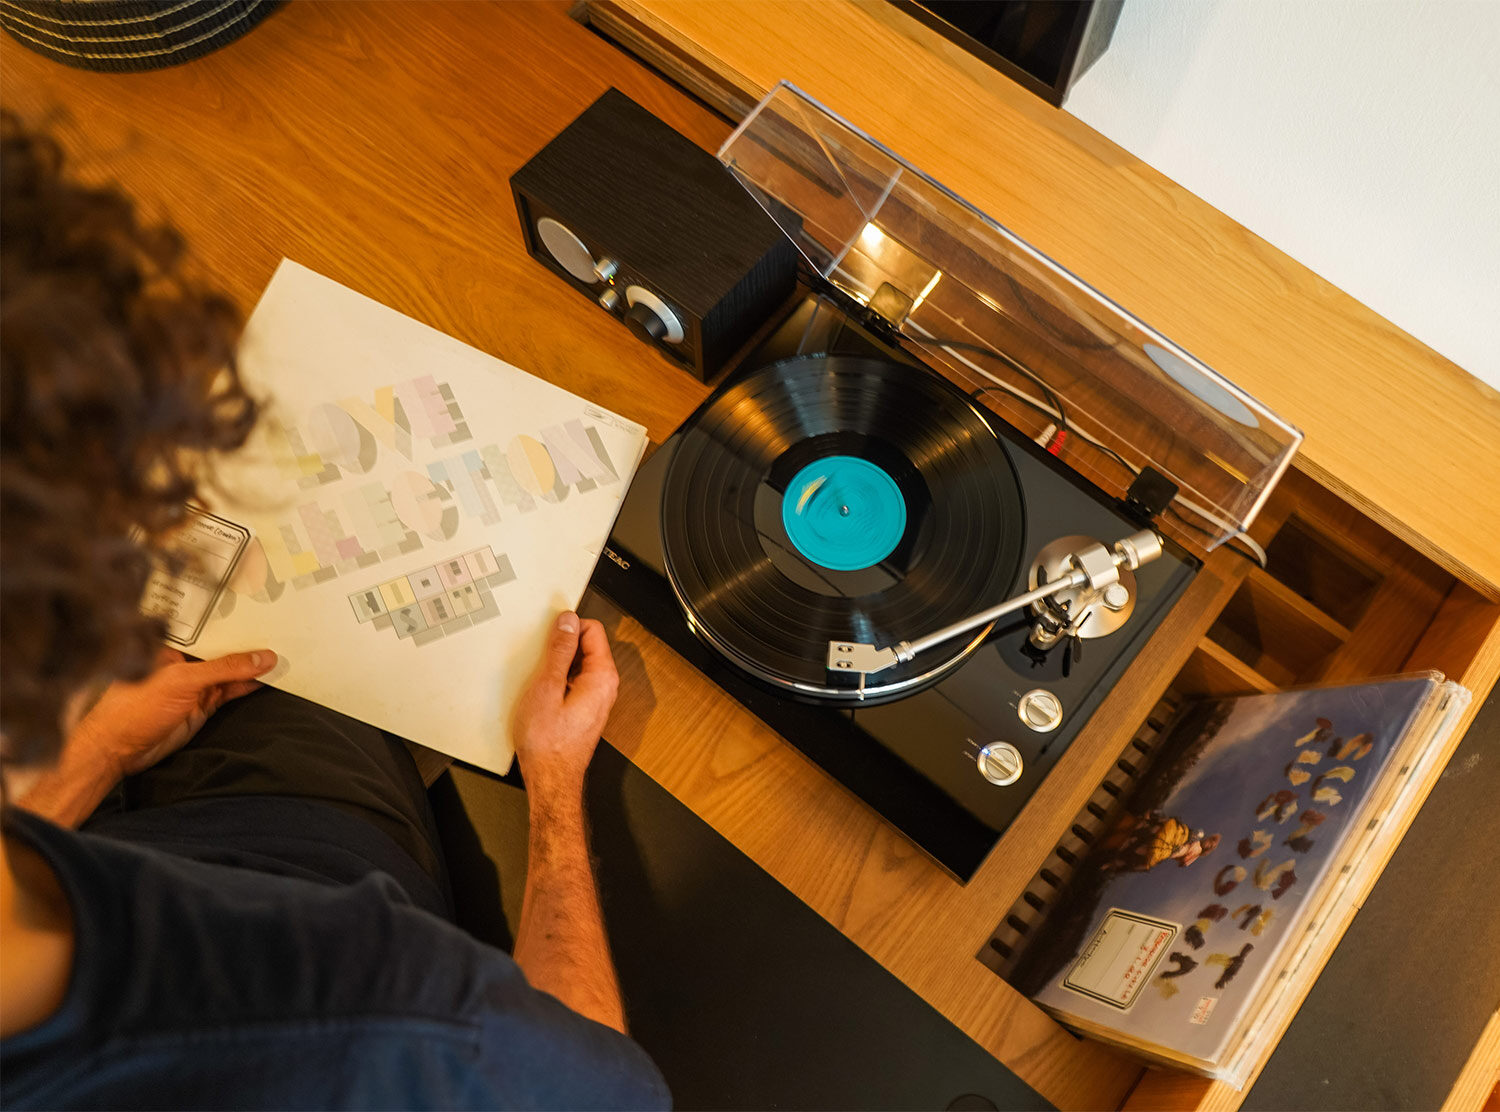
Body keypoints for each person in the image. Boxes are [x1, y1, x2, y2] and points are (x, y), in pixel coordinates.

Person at [0, 112, 668, 1109]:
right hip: (292, 841)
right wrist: (558, 786)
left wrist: (85, 760)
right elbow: (594, 1085)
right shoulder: (365, 1003)